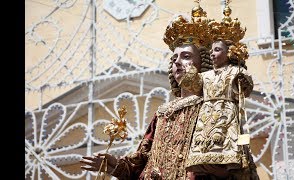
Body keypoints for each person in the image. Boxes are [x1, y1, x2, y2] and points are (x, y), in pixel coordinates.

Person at [80, 3, 215, 179]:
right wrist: (115, 165)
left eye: (186, 56)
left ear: (202, 63)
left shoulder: (212, 106)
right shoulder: (163, 114)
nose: (177, 62)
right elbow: (142, 160)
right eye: (174, 58)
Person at [182, 3, 260, 180]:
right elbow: (192, 85)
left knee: (226, 142)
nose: (212, 54)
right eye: (211, 51)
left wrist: (241, 77)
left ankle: (230, 161)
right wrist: (191, 71)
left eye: (217, 50)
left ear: (229, 53)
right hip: (207, 114)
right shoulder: (206, 75)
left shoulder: (235, 71)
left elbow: (246, 87)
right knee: (205, 144)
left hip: (226, 112)